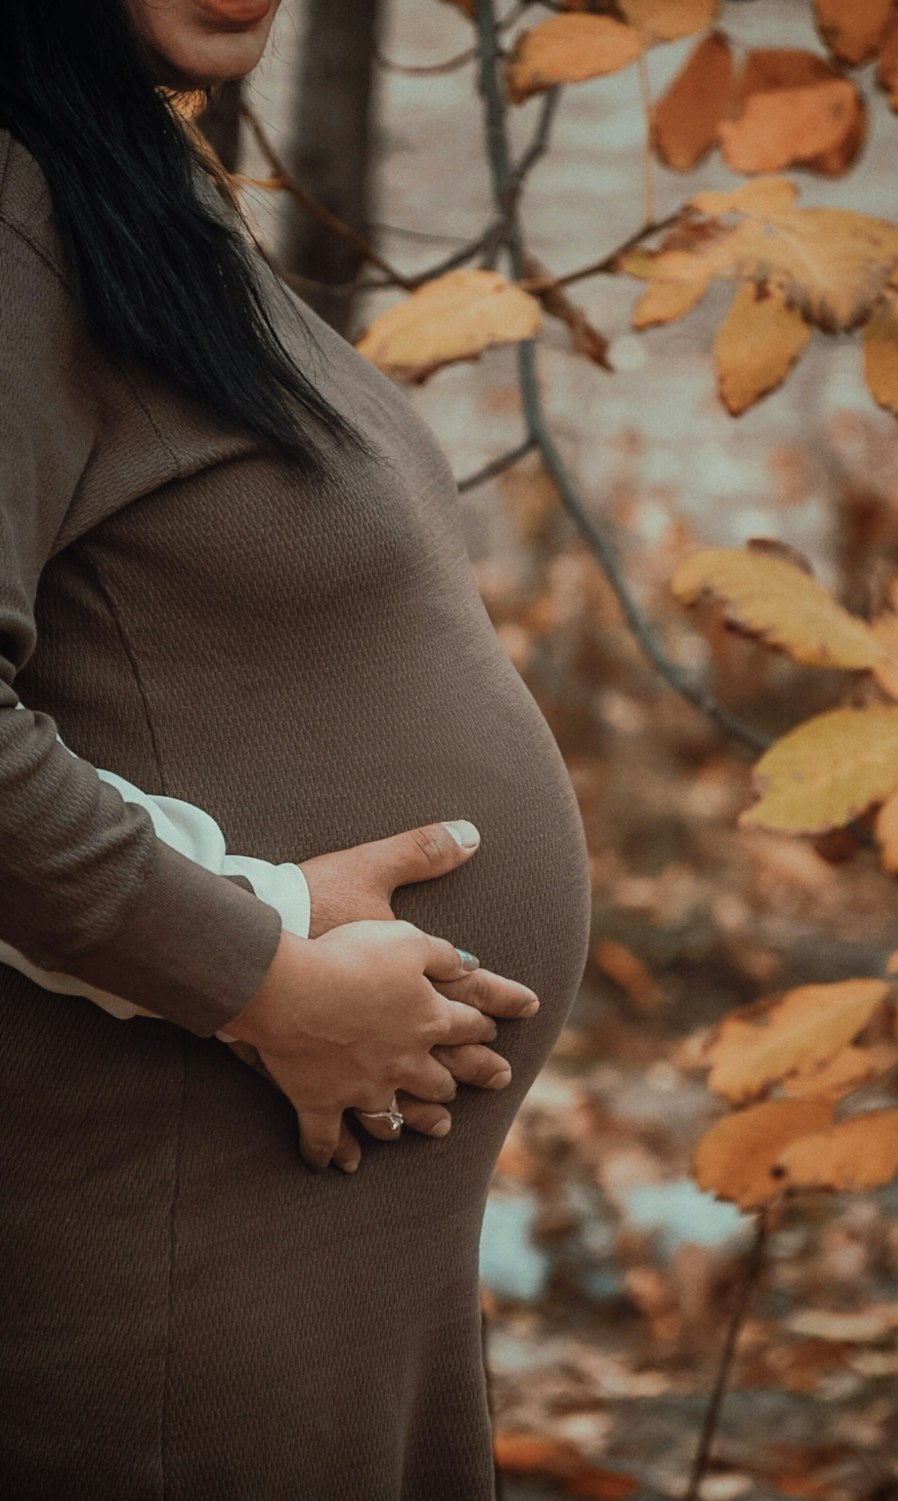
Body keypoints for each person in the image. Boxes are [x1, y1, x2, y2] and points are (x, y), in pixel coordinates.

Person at [0, 0, 591, 1497]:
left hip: (309, 1212)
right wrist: (256, 968)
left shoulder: (119, 169)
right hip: (184, 1208)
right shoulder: (13, 204)